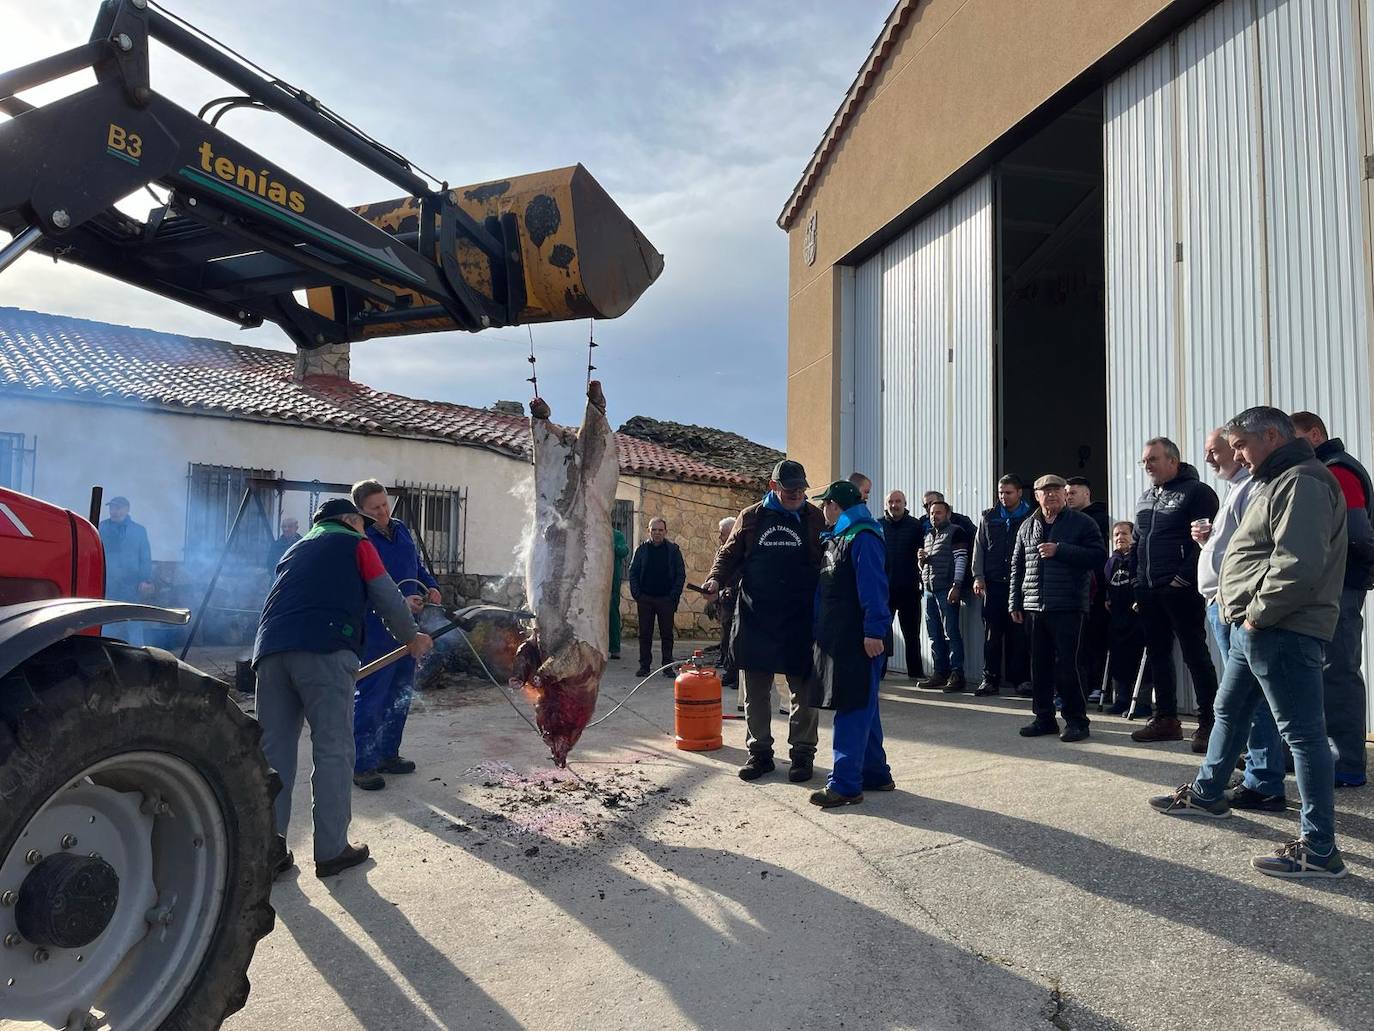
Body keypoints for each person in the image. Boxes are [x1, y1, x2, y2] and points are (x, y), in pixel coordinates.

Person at [1149, 407, 1349, 879]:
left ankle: (1320, 848)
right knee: (1229, 709)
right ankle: (1208, 792)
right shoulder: (1276, 480)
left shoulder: (1303, 480)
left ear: (1273, 436)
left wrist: (1258, 615)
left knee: (1302, 735)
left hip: (1281, 627)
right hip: (1253, 627)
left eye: (1240, 445)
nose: (1235, 454)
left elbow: (1297, 563)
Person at [254, 498, 433, 878]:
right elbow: (386, 595)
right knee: (333, 749)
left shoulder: (294, 549)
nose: (368, 529)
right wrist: (412, 637)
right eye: (363, 523)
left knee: (274, 754)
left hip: (269, 652)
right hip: (326, 650)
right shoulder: (356, 543)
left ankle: (268, 850)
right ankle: (332, 851)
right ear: (351, 520)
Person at [704, 459, 826, 783]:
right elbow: (728, 555)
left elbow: (828, 558)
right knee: (756, 689)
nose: (797, 494)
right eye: (790, 490)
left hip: (799, 617)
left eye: (801, 489)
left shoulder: (813, 517)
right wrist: (716, 580)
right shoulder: (752, 516)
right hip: (757, 614)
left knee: (803, 689)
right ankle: (759, 753)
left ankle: (802, 754)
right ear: (773, 487)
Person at [1192, 428, 1282, 809]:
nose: (1209, 459)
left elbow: (1261, 552)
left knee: (1246, 700)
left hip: (1237, 608)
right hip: (1223, 604)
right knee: (1238, 701)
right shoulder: (1235, 488)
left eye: (1216, 451)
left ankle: (1262, 782)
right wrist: (1208, 541)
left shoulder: (1253, 487)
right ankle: (1250, 776)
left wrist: (1248, 610)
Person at [1292, 411, 1374, 788]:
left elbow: (1358, 533)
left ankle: (1348, 764)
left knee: (1338, 672)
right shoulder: (1322, 468)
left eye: (1295, 437)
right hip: (1332, 585)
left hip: (1340, 586)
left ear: (1315, 433)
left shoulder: (1336, 470)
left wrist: (1361, 573)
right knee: (1327, 670)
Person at [350, 480, 443, 791]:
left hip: (408, 627)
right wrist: (397, 602)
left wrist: (431, 585)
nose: (382, 512)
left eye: (384, 504)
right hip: (377, 628)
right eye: (374, 508)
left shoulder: (401, 529)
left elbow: (415, 566)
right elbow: (360, 584)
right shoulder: (360, 539)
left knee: (401, 692)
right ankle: (362, 763)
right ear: (361, 511)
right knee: (373, 693)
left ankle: (388, 753)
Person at [1129, 437, 1220, 750]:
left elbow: (1207, 541)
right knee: (1158, 655)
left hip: (1180, 590)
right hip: (1149, 589)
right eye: (1144, 461)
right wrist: (1136, 581)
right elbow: (1138, 543)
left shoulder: (1197, 492)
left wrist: (1183, 578)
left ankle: (1210, 722)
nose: (1147, 466)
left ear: (1173, 461)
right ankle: (1166, 719)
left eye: (1152, 459)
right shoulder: (1145, 497)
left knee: (1195, 654)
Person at [807, 480, 894, 808]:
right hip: (839, 636)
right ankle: (875, 773)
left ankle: (844, 785)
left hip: (858, 640)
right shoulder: (838, 538)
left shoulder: (863, 537)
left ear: (836, 505)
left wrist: (874, 632)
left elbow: (874, 588)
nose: (822, 510)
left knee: (852, 707)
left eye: (825, 504)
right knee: (864, 705)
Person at [1010, 475, 1107, 742]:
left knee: (1069, 665)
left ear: (1065, 495)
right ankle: (1044, 718)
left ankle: (1077, 721)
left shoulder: (1082, 523)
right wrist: (1015, 602)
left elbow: (1098, 556)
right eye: (1045, 491)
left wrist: (1061, 550)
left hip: (1068, 605)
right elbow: (1017, 566)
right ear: (1036, 496)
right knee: (1038, 666)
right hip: (1034, 607)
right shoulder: (1027, 526)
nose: (1051, 495)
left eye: (1056, 490)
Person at [972, 475, 1033, 696]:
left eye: (1008, 493)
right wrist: (978, 576)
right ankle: (990, 680)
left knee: (1020, 634)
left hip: (1021, 585)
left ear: (1019, 493)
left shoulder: (1031, 517)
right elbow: (979, 548)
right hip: (994, 585)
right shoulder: (988, 517)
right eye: (1000, 493)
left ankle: (1022, 680)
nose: (1003, 497)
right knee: (992, 635)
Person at [1065, 476, 1111, 703]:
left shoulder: (1100, 520)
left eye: (1073, 492)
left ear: (1087, 493)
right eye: (1067, 492)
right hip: (1073, 589)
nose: (1068, 496)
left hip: (1097, 588)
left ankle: (1097, 684)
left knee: (1096, 638)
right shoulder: (1066, 520)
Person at [917, 500, 969, 692]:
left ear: (947, 514)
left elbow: (961, 560)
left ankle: (957, 674)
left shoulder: (956, 532)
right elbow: (927, 565)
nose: (934, 516)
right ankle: (940, 672)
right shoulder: (929, 535)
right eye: (931, 513)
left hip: (946, 589)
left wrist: (956, 586)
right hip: (929, 590)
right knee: (934, 634)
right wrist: (921, 561)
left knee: (951, 633)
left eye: (938, 513)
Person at [629, 517, 686, 678]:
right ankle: (644, 666)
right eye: (654, 529)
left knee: (667, 634)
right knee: (644, 634)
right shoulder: (641, 549)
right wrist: (637, 594)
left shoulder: (673, 550)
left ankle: (667, 667)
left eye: (660, 530)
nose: (657, 533)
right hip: (645, 598)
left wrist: (673, 595)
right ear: (649, 531)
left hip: (666, 599)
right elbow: (632, 571)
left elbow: (680, 574)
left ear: (665, 532)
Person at [1105, 521, 1150, 716]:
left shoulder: (1139, 557)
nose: (1119, 538)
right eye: (1116, 534)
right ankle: (1121, 699)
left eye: (1124, 533)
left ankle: (1142, 703)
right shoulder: (1112, 561)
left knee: (1141, 661)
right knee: (1119, 660)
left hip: (1137, 619)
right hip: (1118, 618)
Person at [879, 489, 925, 680]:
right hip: (884, 591)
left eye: (898, 501)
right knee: (880, 634)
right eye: (891, 501)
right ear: (885, 504)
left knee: (912, 635)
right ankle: (878, 673)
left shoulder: (915, 526)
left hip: (909, 589)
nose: (894, 505)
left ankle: (916, 674)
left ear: (905, 504)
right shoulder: (877, 526)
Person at [98, 495, 154, 646]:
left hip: (131, 583)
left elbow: (145, 556)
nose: (113, 511)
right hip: (109, 581)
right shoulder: (102, 527)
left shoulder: (139, 531)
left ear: (126, 509)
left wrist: (146, 579)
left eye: (117, 508)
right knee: (107, 618)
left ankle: (138, 650)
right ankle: (104, 648)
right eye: (111, 508)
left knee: (134, 618)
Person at [712, 516, 741, 698]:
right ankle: (729, 672)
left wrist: (730, 589)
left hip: (737, 599)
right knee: (725, 638)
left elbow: (740, 574)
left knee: (736, 640)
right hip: (724, 600)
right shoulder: (721, 551)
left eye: (723, 534)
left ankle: (738, 676)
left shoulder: (741, 551)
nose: (720, 537)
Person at [609, 526, 629, 660]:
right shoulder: (591, 532)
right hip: (593, 580)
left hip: (611, 581)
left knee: (612, 613)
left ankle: (614, 648)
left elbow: (624, 551)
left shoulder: (617, 535)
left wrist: (612, 544)